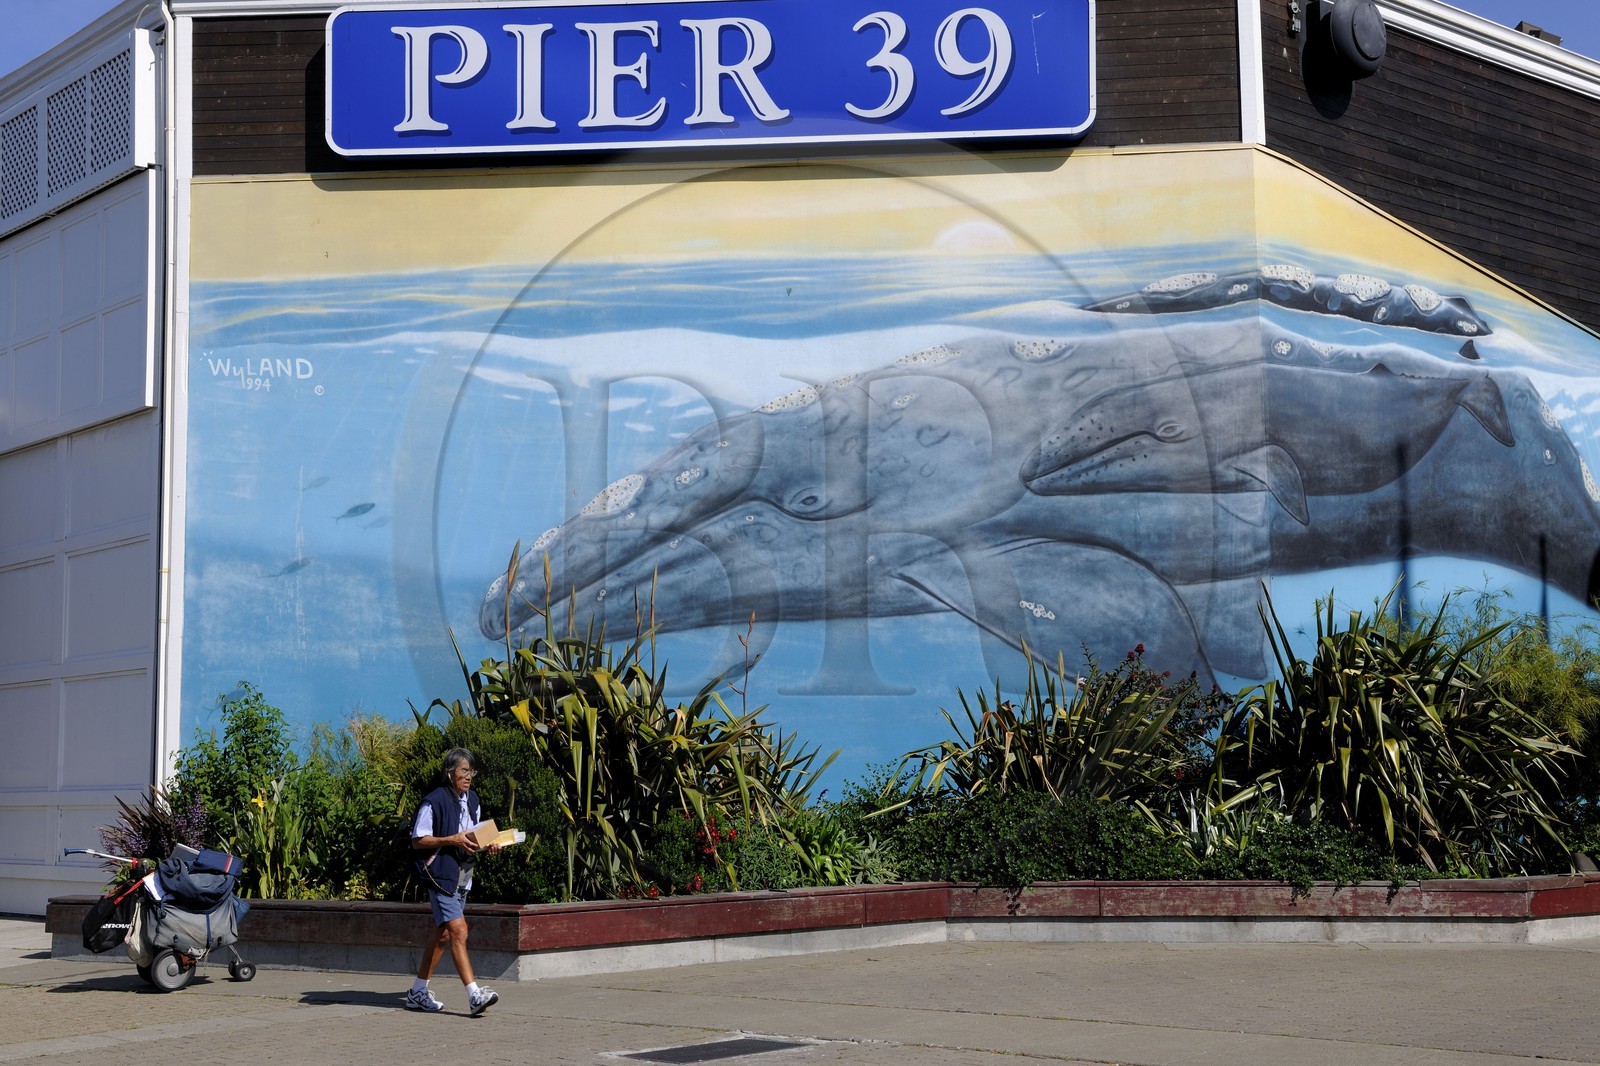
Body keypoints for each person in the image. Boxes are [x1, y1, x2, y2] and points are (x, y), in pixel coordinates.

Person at [405, 747, 501, 1015]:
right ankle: (474, 994)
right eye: (464, 770)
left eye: (472, 771)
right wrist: (451, 839)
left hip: (462, 875)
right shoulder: (433, 801)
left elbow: (475, 838)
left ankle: (417, 992)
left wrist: (491, 844)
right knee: (459, 931)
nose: (469, 776)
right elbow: (417, 840)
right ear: (449, 773)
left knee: (443, 934)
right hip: (439, 875)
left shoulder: (473, 800)